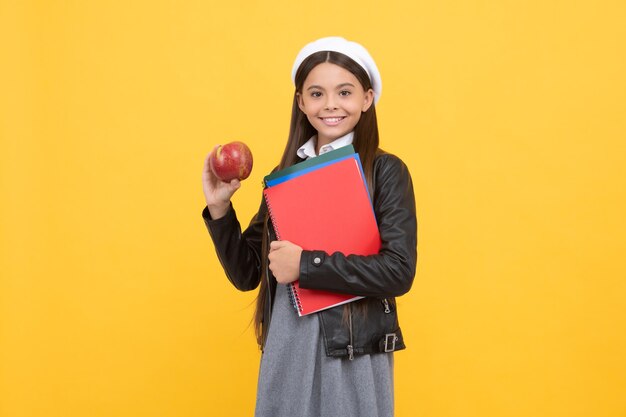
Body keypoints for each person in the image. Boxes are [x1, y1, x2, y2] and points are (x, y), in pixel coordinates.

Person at [201, 36, 417, 417]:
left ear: (367, 99)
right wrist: (220, 211)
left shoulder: (384, 171)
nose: (330, 104)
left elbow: (398, 270)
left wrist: (305, 265)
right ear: (301, 102)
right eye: (316, 94)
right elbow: (248, 273)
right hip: (289, 342)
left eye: (344, 92)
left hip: (352, 347)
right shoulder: (284, 177)